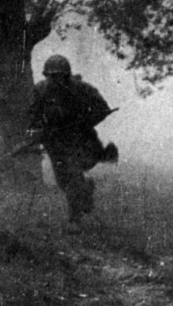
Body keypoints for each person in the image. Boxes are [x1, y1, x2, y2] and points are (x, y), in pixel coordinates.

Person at [28, 55, 118, 225]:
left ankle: (74, 220)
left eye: (60, 76)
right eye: (52, 76)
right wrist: (36, 131)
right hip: (54, 141)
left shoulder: (82, 88)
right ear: (46, 75)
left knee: (73, 175)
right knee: (62, 180)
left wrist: (84, 123)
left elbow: (102, 109)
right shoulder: (40, 90)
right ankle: (85, 191)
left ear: (67, 76)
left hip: (79, 139)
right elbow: (33, 114)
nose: (56, 81)